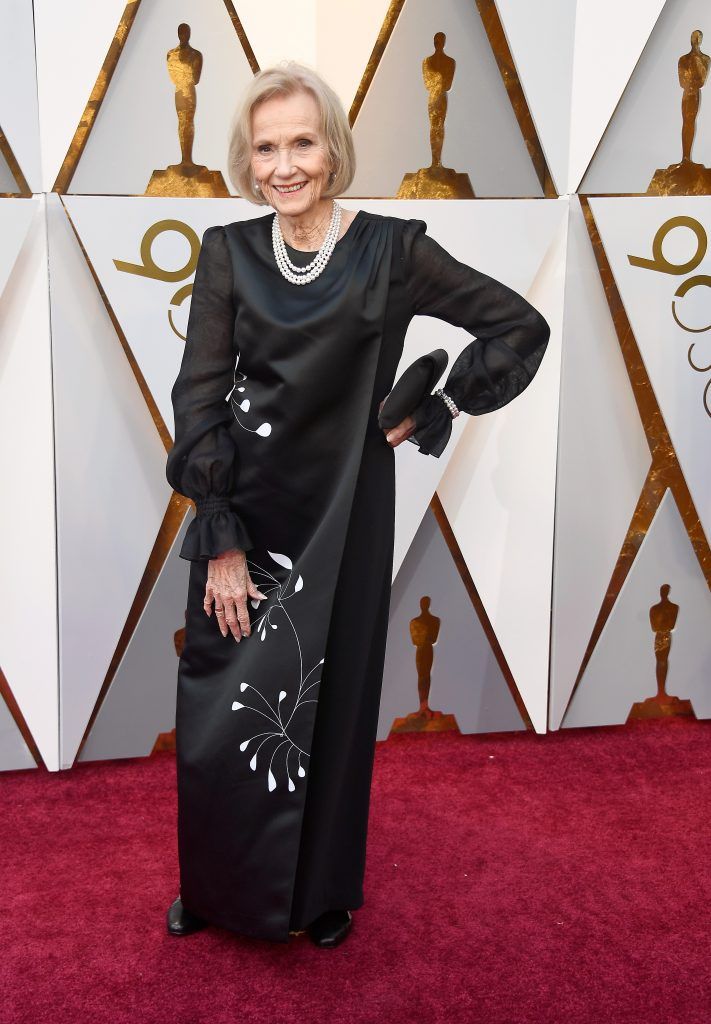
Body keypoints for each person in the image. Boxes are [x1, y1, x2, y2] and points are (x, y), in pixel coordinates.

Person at [164, 61, 550, 949]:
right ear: (247, 160)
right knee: (224, 704)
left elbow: (516, 326)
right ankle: (218, 889)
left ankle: (319, 892)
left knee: (332, 703)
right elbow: (198, 401)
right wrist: (219, 536)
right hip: (247, 516)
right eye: (266, 147)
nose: (284, 164)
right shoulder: (228, 253)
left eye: (301, 141)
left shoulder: (393, 249)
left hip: (345, 510)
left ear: (331, 149)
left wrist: (441, 402)